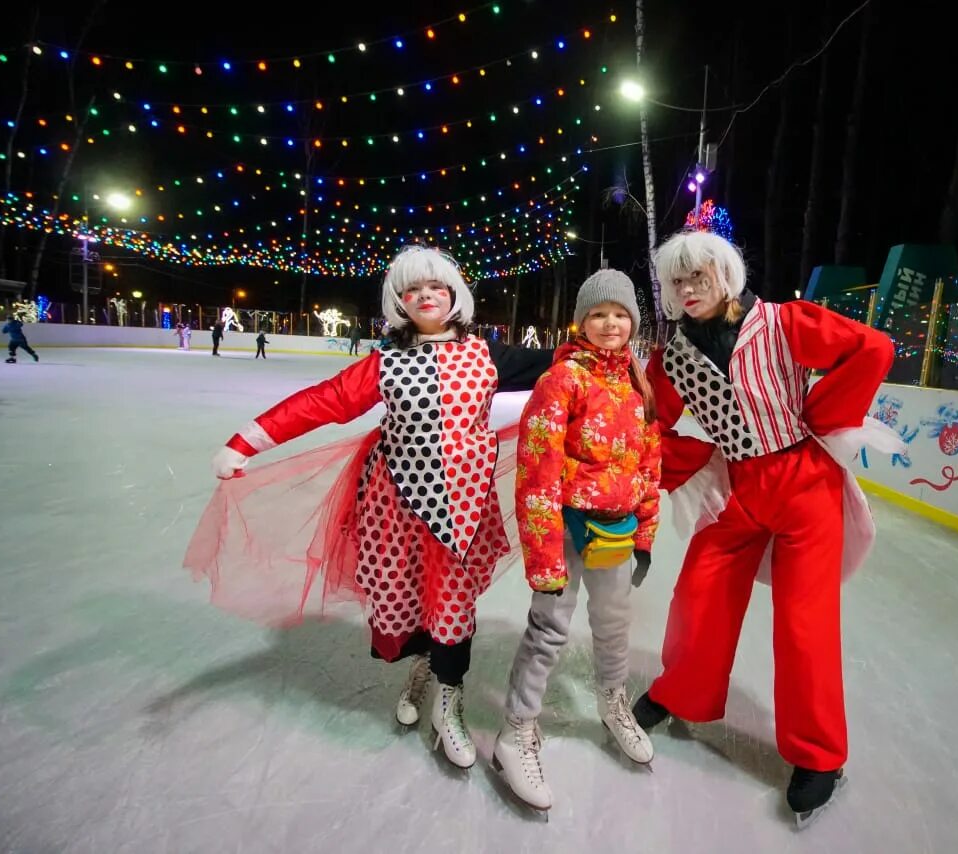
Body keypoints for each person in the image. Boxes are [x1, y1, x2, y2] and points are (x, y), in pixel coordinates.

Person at [186, 246, 552, 771]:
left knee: (453, 606)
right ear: (401, 302)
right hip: (395, 505)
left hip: (463, 506)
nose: (426, 295)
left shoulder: (486, 355)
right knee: (404, 599)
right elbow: (323, 401)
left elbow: (564, 366)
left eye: (437, 287)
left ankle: (450, 701)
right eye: (413, 290)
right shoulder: (386, 361)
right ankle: (424, 663)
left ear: (454, 297)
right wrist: (246, 442)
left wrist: (620, 355)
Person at [631, 231, 899, 829]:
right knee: (698, 595)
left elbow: (873, 349)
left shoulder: (782, 322)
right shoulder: (671, 355)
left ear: (725, 273)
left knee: (805, 625)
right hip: (739, 488)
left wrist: (822, 418)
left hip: (805, 484)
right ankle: (681, 692)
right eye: (678, 282)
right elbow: (649, 425)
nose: (689, 289)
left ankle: (820, 757)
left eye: (699, 276)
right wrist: (694, 461)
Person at [493, 270, 661, 813]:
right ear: (581, 321)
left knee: (613, 628)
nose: (610, 324)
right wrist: (543, 558)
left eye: (620, 314)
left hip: (618, 529)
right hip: (565, 528)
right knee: (549, 631)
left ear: (632, 321)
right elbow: (536, 473)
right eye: (598, 314)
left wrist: (646, 534)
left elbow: (649, 464)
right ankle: (515, 730)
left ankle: (613, 703)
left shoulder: (638, 382)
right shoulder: (561, 378)